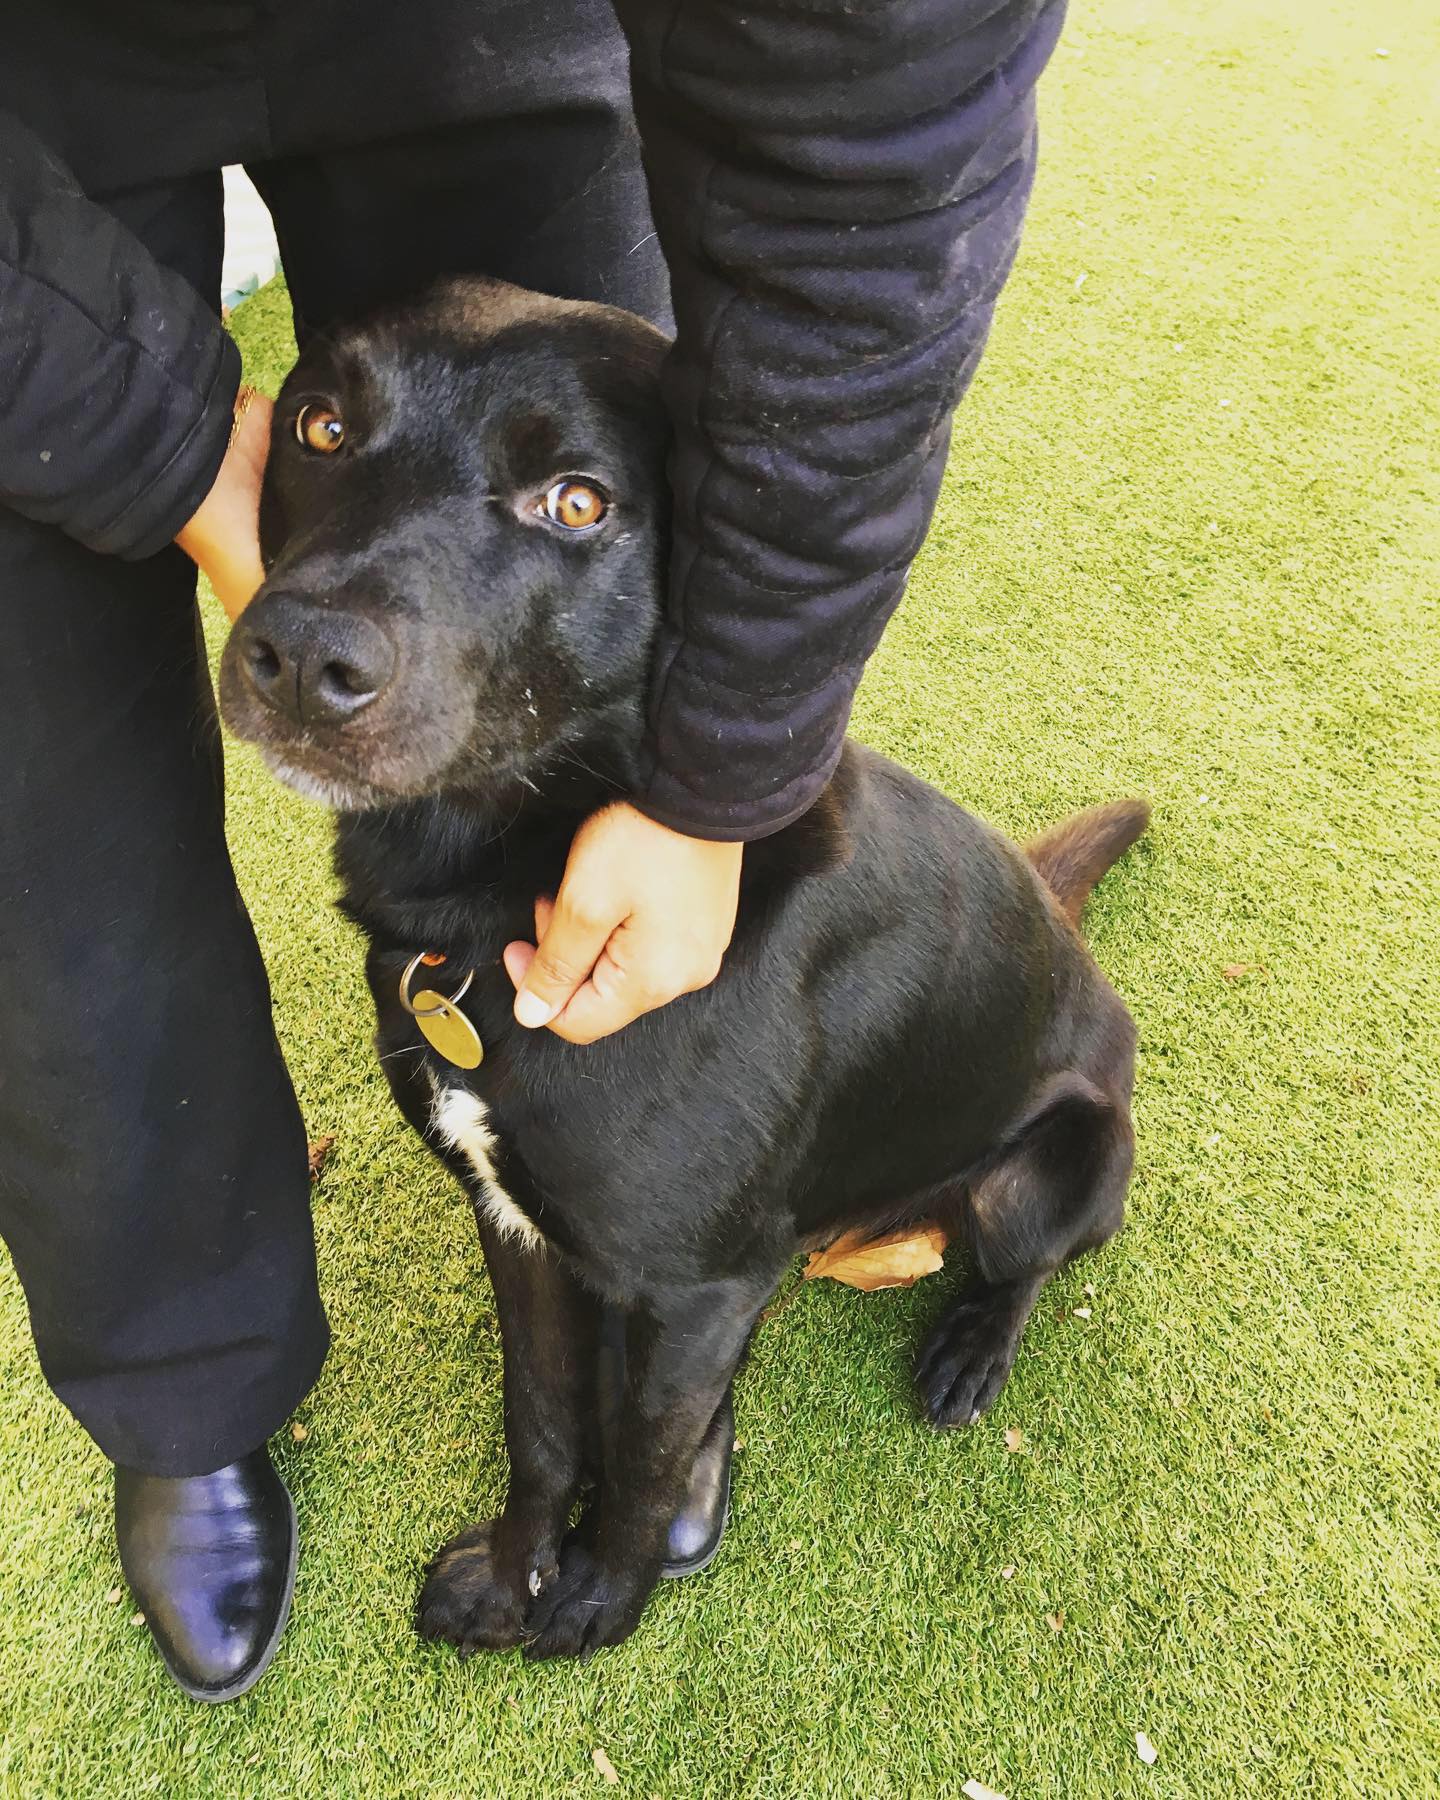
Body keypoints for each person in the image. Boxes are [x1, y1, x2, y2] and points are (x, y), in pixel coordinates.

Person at [0, 0, 1063, 1700]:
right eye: (329, 430)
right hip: (38, 90)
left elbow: (866, 228)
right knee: (53, 883)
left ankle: (660, 1455)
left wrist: (721, 790)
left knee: (573, 390)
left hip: (480, 29)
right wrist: (168, 446)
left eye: (566, 505)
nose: (320, 634)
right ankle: (187, 1403)